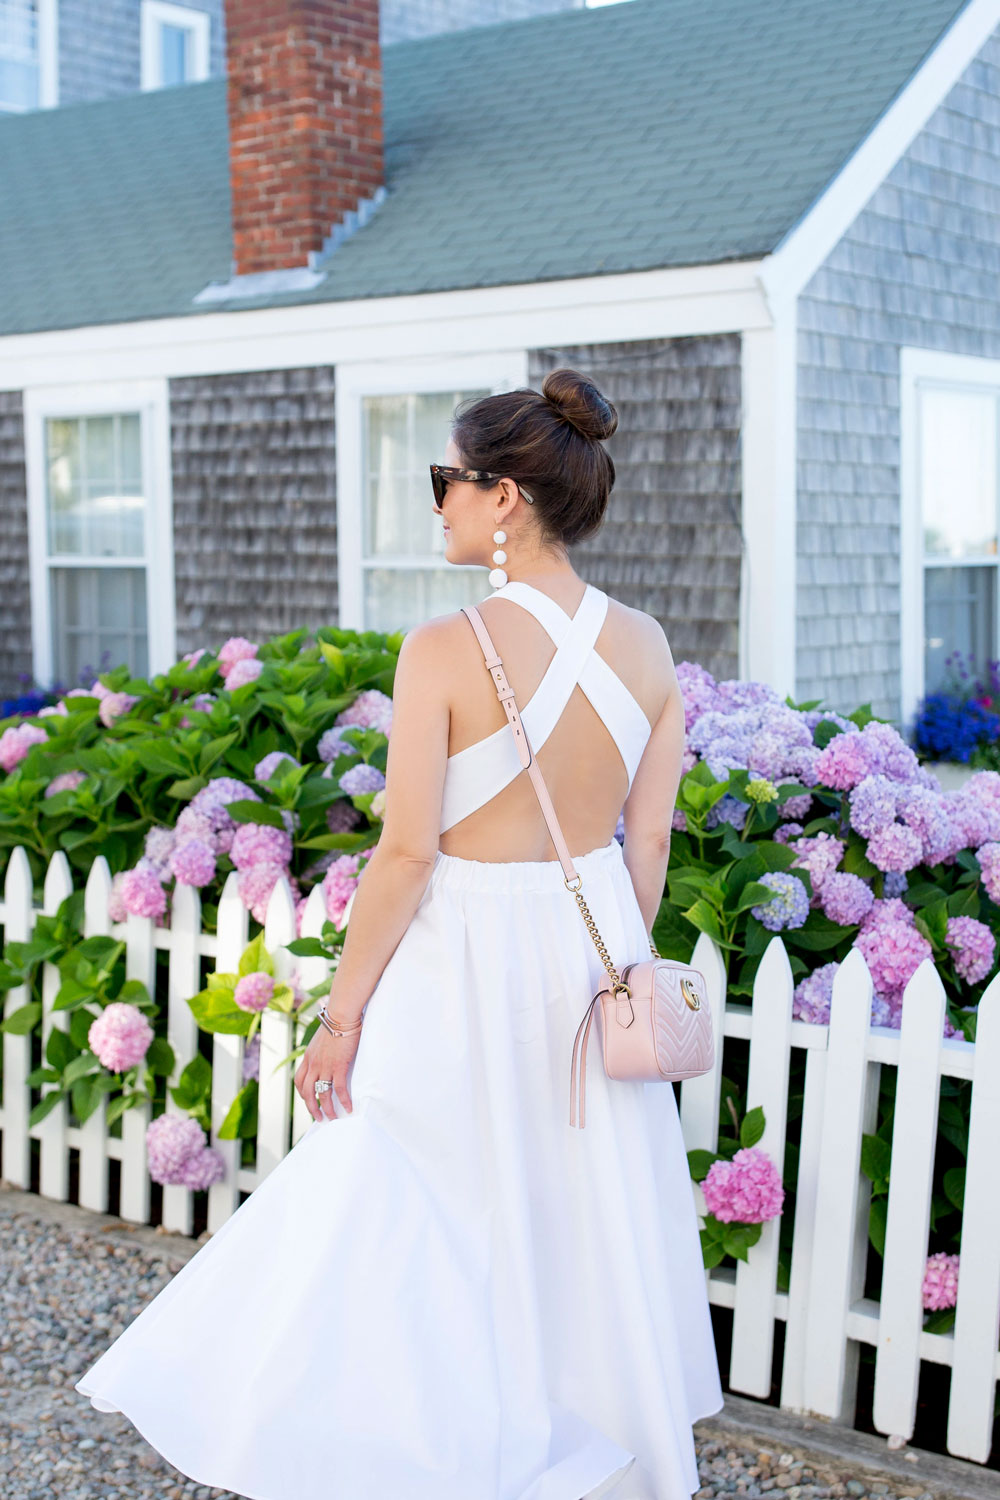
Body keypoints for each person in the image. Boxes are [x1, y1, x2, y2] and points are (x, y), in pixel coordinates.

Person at [75, 367, 724, 1499]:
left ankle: (444, 1458)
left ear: (507, 497)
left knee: (425, 1206)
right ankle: (584, 1455)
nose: (438, 506)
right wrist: (604, 960)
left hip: (459, 957)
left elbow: (409, 854)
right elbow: (649, 851)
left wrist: (340, 1015)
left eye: (448, 481)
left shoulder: (443, 648)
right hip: (589, 959)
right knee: (573, 1207)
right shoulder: (650, 648)